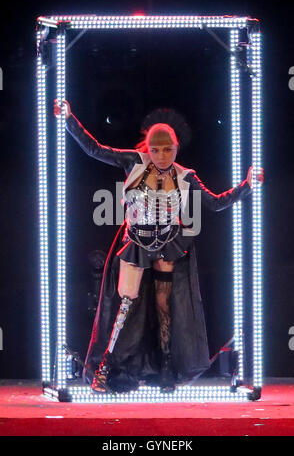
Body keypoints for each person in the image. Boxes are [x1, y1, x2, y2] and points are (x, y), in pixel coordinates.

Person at [54, 99, 264, 394]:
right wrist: (69, 118)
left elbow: (216, 203)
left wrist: (247, 186)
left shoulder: (185, 175)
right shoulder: (132, 162)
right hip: (136, 240)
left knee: (165, 304)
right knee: (125, 304)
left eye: (168, 149)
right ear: (147, 148)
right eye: (155, 149)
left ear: (176, 148)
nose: (161, 155)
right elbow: (95, 149)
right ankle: (106, 367)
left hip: (167, 241)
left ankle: (166, 367)